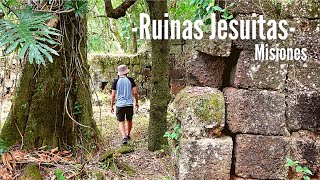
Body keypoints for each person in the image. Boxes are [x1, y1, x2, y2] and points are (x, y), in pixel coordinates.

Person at [110, 64, 139, 145]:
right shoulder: (130, 80)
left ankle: (124, 137)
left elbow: (113, 95)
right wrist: (137, 102)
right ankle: (128, 134)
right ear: (126, 72)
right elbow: (135, 92)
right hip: (129, 104)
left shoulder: (116, 81)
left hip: (119, 105)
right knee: (129, 120)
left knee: (121, 121)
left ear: (119, 73)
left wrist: (111, 105)